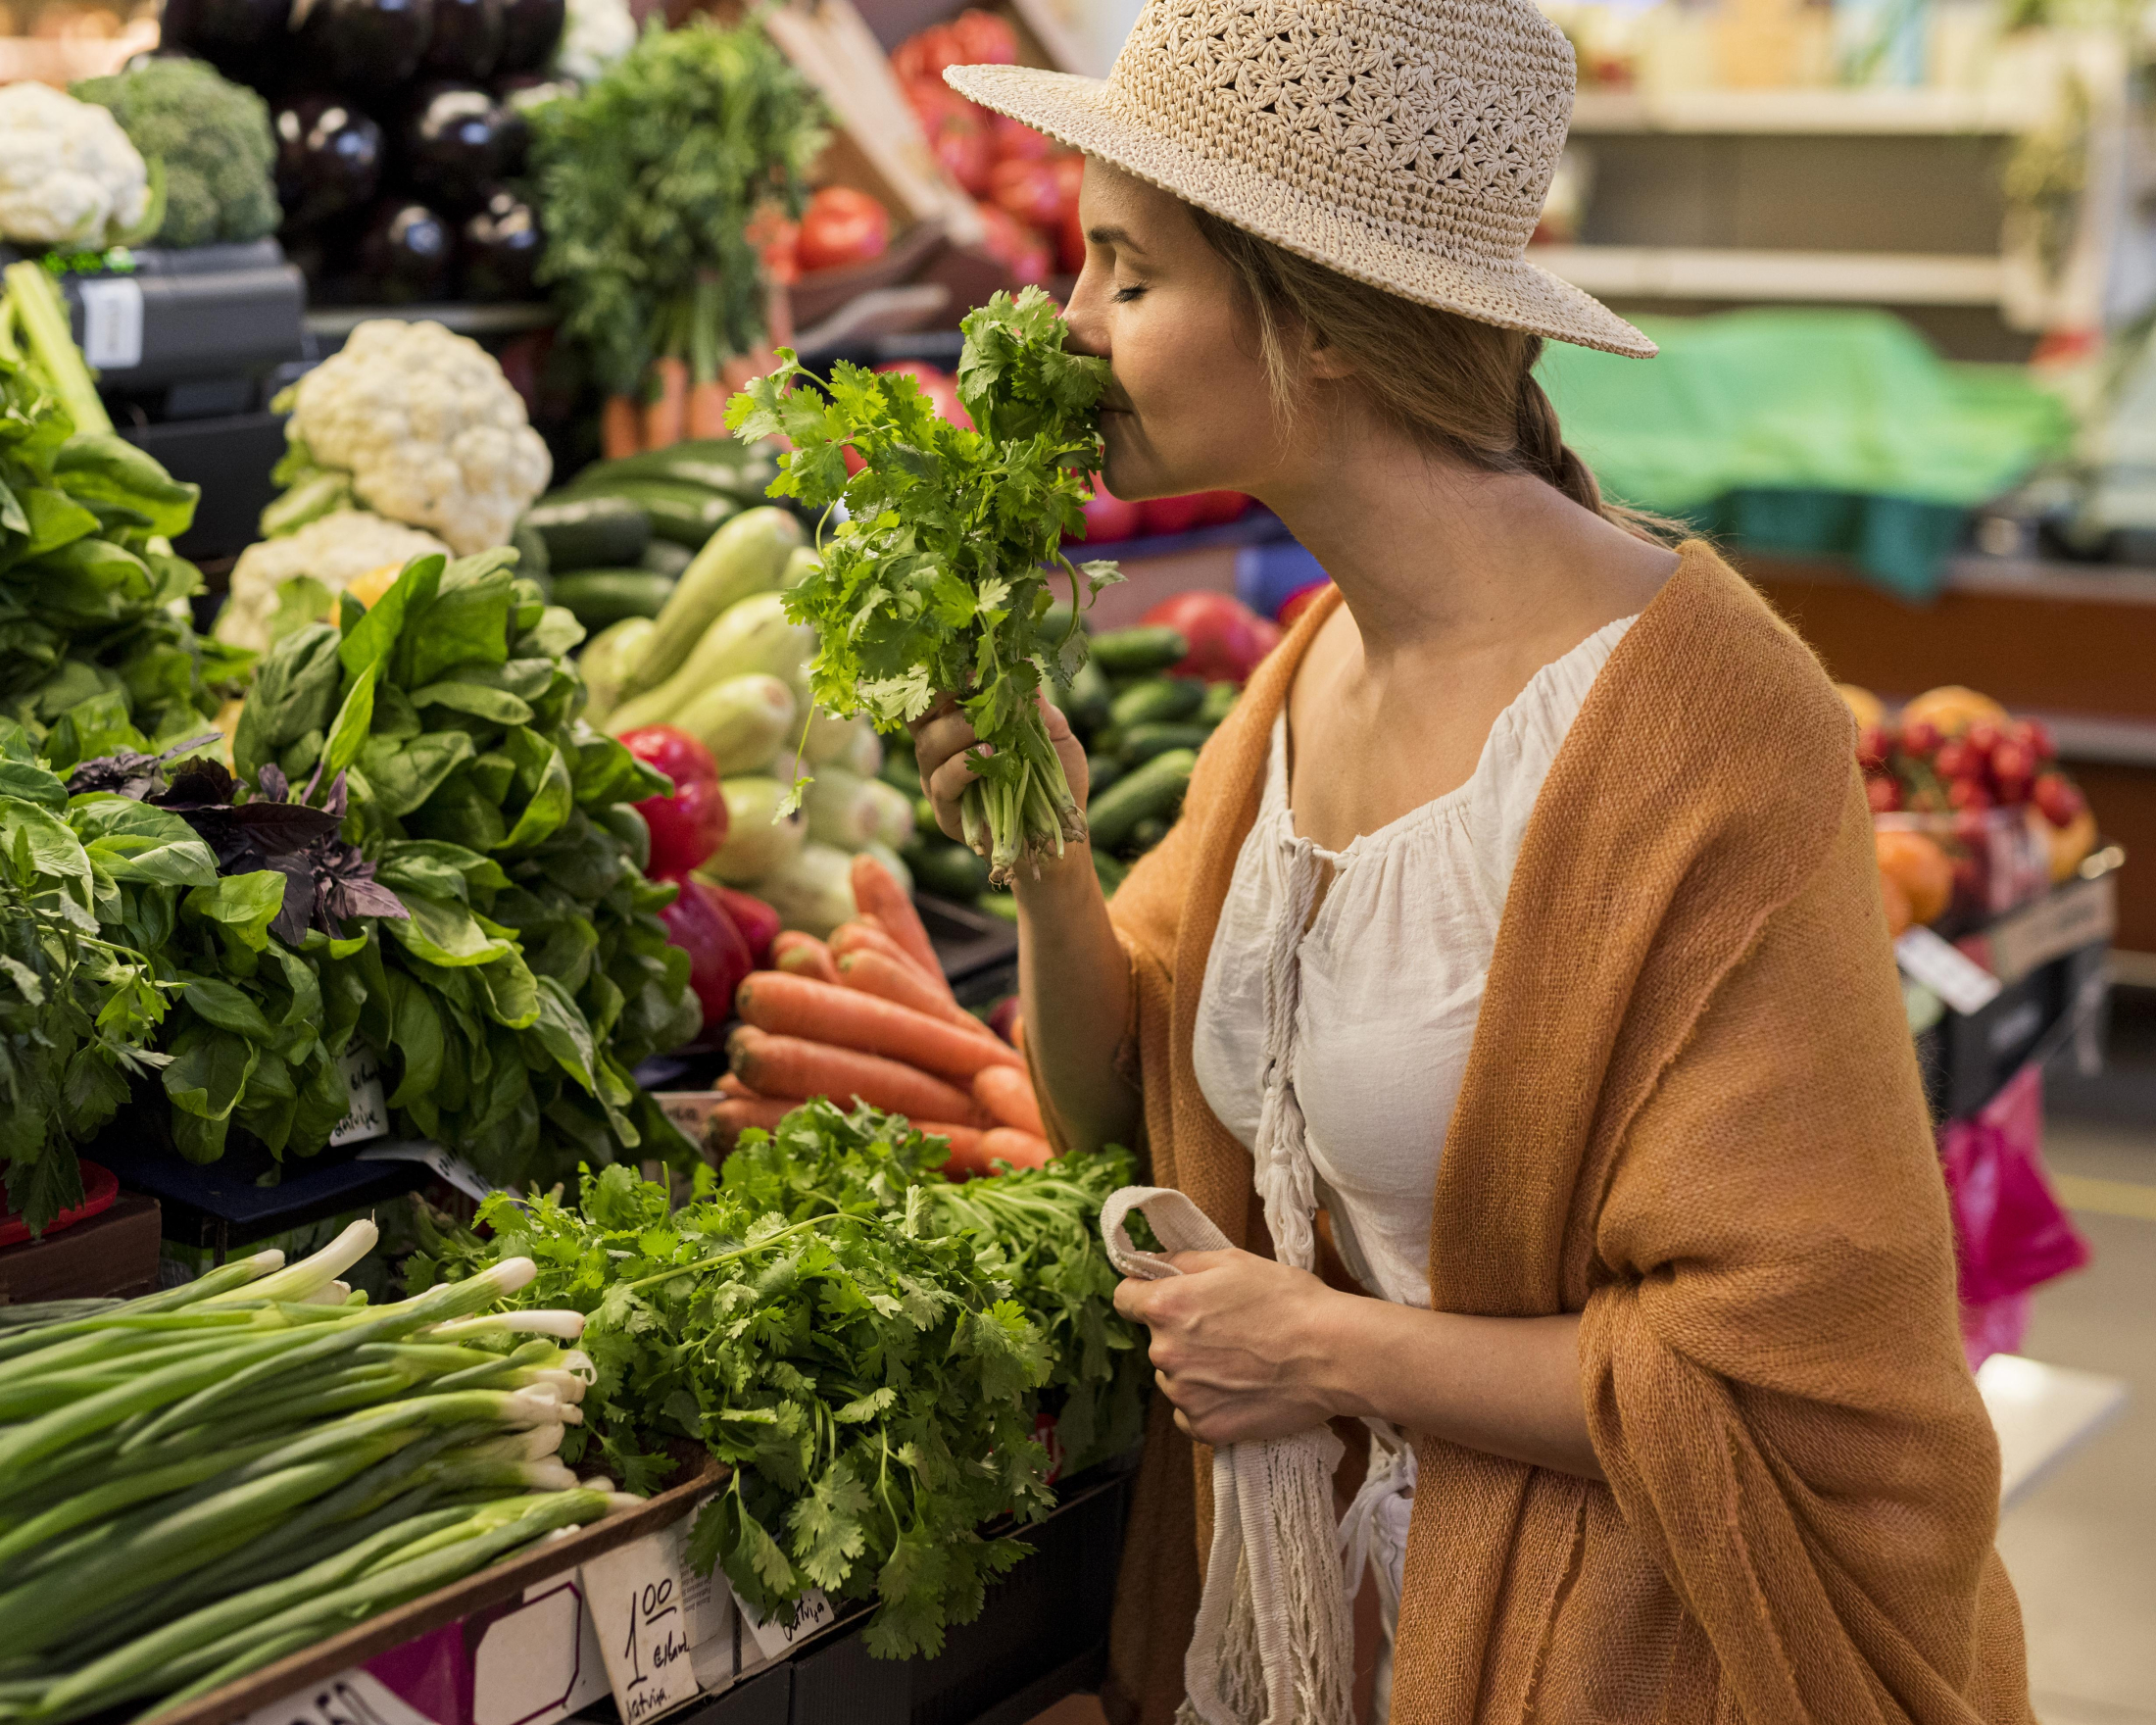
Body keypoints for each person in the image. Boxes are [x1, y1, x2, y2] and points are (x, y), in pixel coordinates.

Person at [913, 3, 2036, 1721]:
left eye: (1127, 274)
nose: (1066, 327)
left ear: (1322, 321)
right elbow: (1123, 1112)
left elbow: (1805, 1385)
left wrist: (1319, 1348)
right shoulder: (1307, 679)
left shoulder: (1711, 730)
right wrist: (1048, 856)